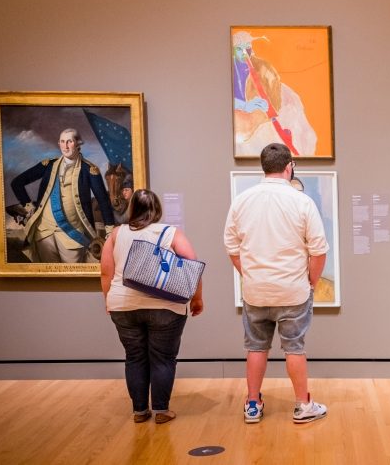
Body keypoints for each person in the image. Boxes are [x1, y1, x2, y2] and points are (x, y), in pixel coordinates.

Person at [224, 143, 329, 424]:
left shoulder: (242, 201)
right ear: (289, 166)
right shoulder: (302, 202)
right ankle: (303, 405)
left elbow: (232, 247)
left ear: (263, 167)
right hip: (293, 290)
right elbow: (318, 251)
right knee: (294, 347)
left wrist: (249, 274)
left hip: (256, 291)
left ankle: (253, 404)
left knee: (256, 347)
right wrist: (311, 282)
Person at [100, 189, 203, 423]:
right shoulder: (170, 233)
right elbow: (192, 266)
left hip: (123, 305)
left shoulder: (116, 234)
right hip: (165, 305)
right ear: (157, 209)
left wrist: (108, 299)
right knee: (163, 358)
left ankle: (139, 411)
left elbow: (106, 271)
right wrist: (197, 299)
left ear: (132, 208)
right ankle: (161, 410)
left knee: (134, 357)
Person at [9, 128, 117, 263]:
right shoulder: (49, 165)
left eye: (69, 142)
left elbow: (103, 201)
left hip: (72, 236)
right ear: (59, 144)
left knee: (73, 279)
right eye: (62, 142)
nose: (65, 146)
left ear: (78, 144)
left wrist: (110, 231)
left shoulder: (89, 170)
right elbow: (17, 183)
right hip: (44, 232)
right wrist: (29, 206)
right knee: (49, 279)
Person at [231, 31, 318, 156]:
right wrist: (245, 106)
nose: (245, 53)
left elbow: (273, 92)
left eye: (247, 48)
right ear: (233, 51)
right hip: (242, 124)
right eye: (240, 49)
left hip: (261, 119)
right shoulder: (228, 70)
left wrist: (267, 106)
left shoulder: (262, 67)